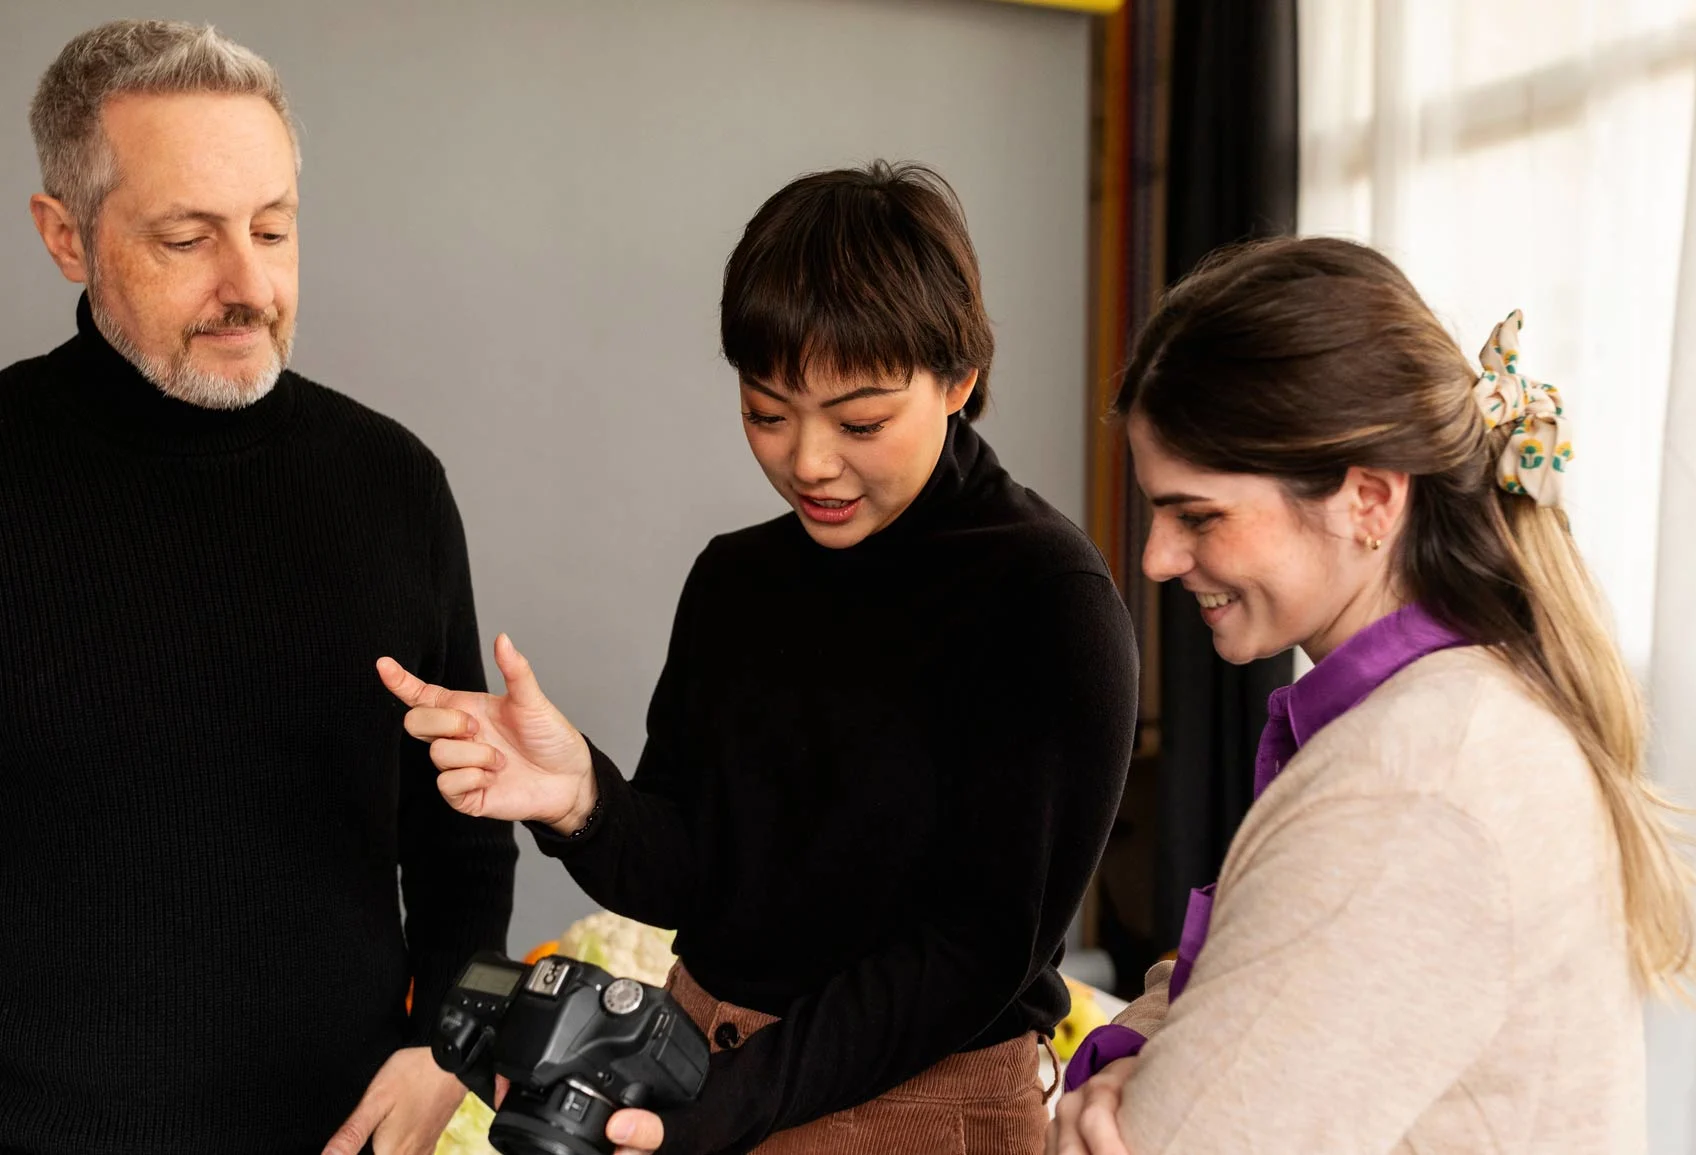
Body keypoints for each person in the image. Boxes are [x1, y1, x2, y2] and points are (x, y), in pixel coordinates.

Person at [379, 161, 1140, 1154]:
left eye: (859, 421)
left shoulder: (1045, 602)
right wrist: (581, 801)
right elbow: (694, 878)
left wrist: (720, 1110)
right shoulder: (736, 579)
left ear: (958, 380)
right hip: (700, 1062)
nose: (808, 463)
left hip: (912, 1104)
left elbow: (970, 954)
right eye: (766, 412)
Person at [1047, 235, 1696, 1154]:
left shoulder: (1411, 785)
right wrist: (1156, 1043)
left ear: (1367, 500)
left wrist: (1129, 1081)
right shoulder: (1451, 721)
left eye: (1198, 515)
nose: (1156, 557)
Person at [0, 21, 516, 1155]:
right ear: (65, 236)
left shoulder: (393, 484)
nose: (250, 287)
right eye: (187, 239)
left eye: (274, 230)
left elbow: (468, 843)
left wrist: (455, 1044)